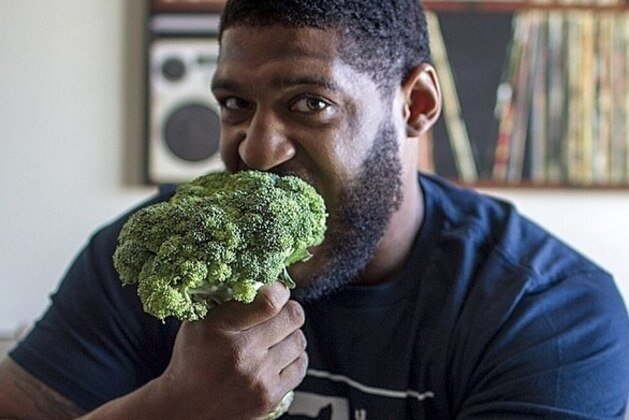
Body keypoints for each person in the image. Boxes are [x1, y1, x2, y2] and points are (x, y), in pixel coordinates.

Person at [1, 0, 628, 418]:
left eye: (309, 103)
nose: (256, 149)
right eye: (235, 104)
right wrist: (173, 407)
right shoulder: (162, 255)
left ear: (415, 105)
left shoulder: (546, 310)